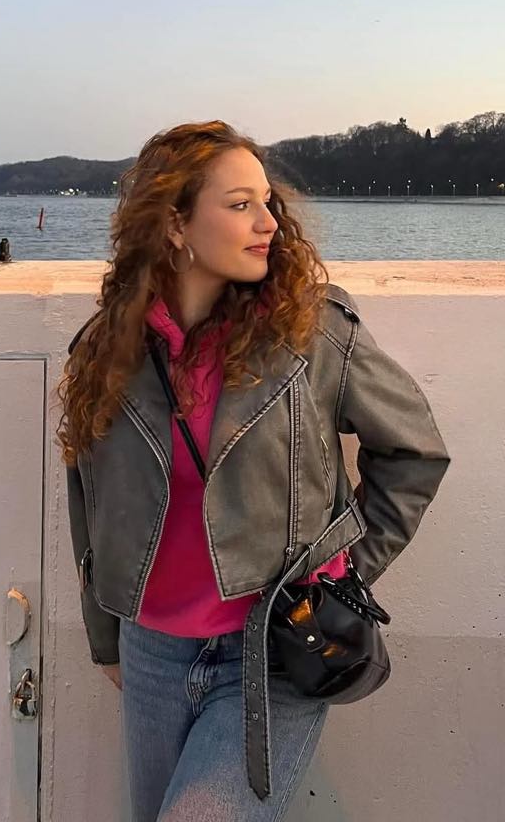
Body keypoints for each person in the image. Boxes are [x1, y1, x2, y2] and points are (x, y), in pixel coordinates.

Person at [57, 120, 451, 821]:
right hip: (151, 651)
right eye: (240, 205)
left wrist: (342, 575)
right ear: (174, 223)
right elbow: (90, 501)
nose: (269, 222)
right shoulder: (107, 349)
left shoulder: (311, 332)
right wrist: (105, 637)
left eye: (267, 202)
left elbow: (414, 452)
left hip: (275, 648)